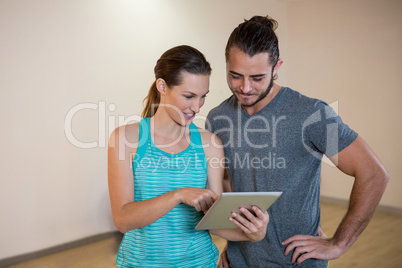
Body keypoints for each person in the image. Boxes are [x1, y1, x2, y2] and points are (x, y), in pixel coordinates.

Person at [206, 16, 389, 267]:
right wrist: (231, 239)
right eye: (235, 76)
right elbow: (228, 182)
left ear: (277, 67)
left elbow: (374, 174)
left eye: (257, 77)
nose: (245, 87)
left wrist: (339, 243)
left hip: (297, 261)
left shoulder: (314, 114)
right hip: (240, 261)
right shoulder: (218, 118)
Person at [108, 45, 269, 267]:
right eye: (189, 96)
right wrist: (178, 195)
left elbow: (213, 221)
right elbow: (123, 220)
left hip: (201, 262)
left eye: (203, 97)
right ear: (162, 86)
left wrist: (253, 234)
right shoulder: (126, 139)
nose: (197, 107)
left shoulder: (209, 144)